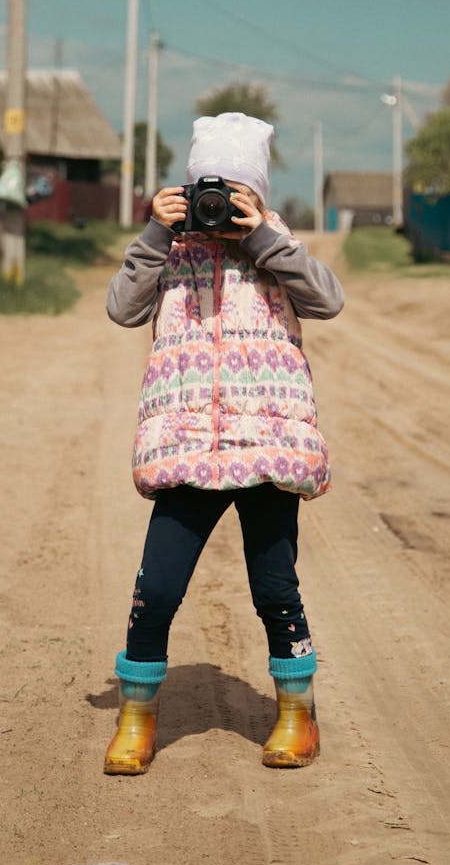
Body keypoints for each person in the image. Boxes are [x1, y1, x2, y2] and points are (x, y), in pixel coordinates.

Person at [104, 112, 344, 775]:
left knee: (275, 587)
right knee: (156, 589)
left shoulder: (278, 245)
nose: (219, 209)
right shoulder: (169, 251)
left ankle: (298, 717)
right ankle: (136, 718)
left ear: (259, 195)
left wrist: (264, 236)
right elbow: (122, 307)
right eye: (211, 193)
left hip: (265, 445)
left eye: (236, 194)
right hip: (185, 446)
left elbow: (329, 300)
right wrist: (157, 230)